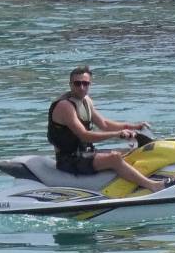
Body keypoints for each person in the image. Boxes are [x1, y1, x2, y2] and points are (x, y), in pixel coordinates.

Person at [47, 65, 165, 193]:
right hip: (69, 159)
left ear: (89, 84)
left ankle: (134, 183)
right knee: (114, 159)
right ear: (70, 84)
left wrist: (134, 126)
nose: (82, 87)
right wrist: (117, 134)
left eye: (85, 83)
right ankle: (153, 186)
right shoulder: (65, 106)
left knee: (129, 152)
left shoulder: (86, 101)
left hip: (85, 152)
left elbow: (104, 124)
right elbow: (84, 135)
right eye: (77, 83)